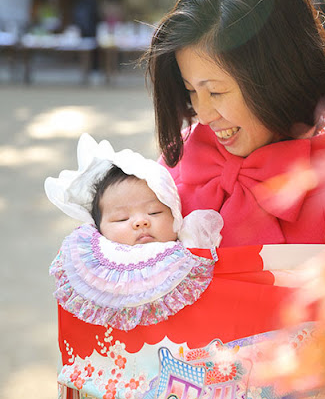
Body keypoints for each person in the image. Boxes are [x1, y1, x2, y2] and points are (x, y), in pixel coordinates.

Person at [52, 0, 325, 399]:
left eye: (217, 92)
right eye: (192, 93)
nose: (204, 113)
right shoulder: (183, 163)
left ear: (278, 76)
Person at [46, 133, 223, 331]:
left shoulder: (189, 249)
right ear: (99, 229)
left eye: (154, 212)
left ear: (176, 216)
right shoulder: (96, 264)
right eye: (122, 218)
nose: (141, 221)